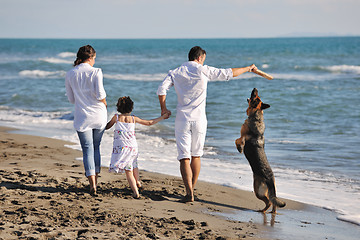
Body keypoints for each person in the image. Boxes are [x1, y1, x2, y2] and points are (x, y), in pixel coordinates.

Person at [157, 46, 257, 202]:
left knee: (184, 157)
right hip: (199, 120)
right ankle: (191, 190)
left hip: (182, 119)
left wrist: (164, 109)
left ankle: (189, 192)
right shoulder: (203, 70)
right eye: (203, 59)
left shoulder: (175, 72)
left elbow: (161, 89)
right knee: (196, 155)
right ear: (200, 58)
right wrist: (248, 68)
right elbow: (228, 73)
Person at [106, 96, 170, 199]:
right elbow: (149, 123)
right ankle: (138, 182)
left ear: (118, 107)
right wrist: (162, 117)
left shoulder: (116, 117)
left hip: (122, 147)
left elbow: (107, 126)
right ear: (131, 107)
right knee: (134, 164)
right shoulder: (133, 118)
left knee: (128, 170)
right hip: (133, 146)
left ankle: (135, 192)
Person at [65, 45, 107, 196]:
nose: (95, 61)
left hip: (82, 117)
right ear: (90, 58)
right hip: (99, 115)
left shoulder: (70, 73)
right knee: (96, 147)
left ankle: (92, 184)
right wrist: (105, 102)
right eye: (94, 58)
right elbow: (100, 94)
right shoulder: (96, 72)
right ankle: (96, 179)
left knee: (87, 149)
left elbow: (71, 99)